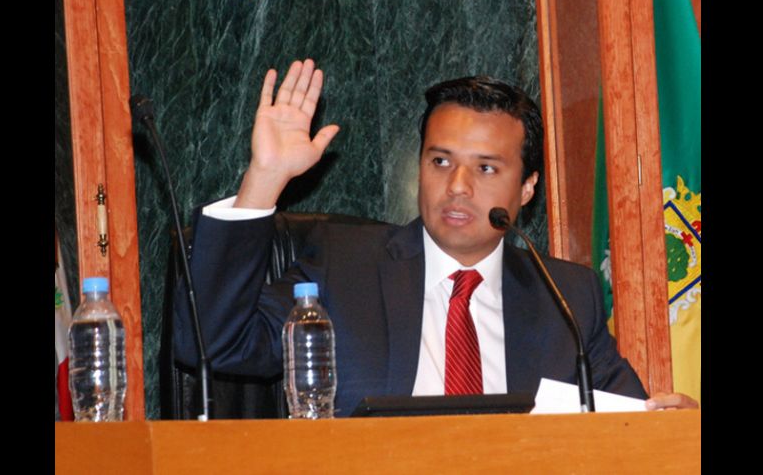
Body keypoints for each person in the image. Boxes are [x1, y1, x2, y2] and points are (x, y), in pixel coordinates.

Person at [174, 59, 697, 416]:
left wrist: (673, 426)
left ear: (527, 187)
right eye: (441, 161)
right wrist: (265, 178)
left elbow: (629, 424)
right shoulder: (343, 268)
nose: (458, 186)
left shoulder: (564, 298)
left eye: (486, 168)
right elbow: (211, 344)